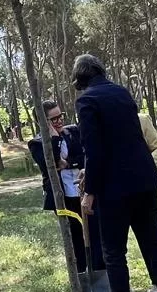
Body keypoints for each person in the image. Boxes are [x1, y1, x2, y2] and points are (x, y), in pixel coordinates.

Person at [73, 54, 157, 292]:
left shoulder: (86, 101)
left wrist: (89, 192)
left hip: (114, 189)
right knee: (153, 242)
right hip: (145, 180)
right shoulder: (122, 93)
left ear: (80, 79)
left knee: (114, 252)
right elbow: (127, 140)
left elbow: (94, 150)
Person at [29, 98, 103, 276]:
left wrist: (68, 163)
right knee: (75, 236)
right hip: (63, 197)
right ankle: (80, 274)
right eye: (53, 119)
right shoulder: (37, 143)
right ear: (42, 122)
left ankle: (100, 271)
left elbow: (85, 156)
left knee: (95, 232)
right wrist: (54, 138)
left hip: (85, 191)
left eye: (60, 116)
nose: (59, 120)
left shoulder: (74, 132)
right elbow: (50, 163)